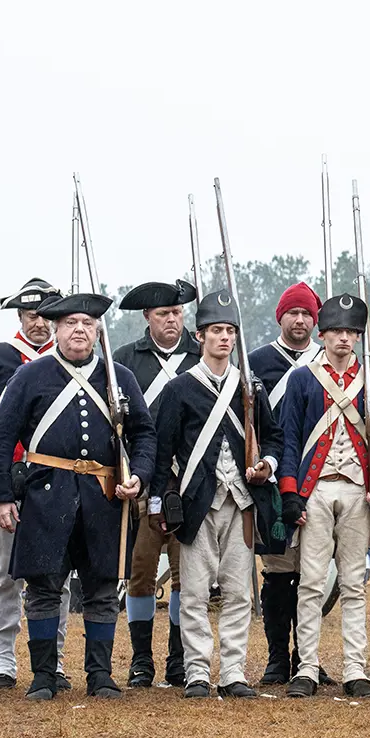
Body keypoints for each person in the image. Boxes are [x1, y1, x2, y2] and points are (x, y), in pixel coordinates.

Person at [0, 292, 156, 700]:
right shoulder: (30, 376)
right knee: (44, 587)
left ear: (98, 331)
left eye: (87, 323)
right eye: (70, 323)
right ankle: (44, 676)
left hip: (103, 496)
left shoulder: (120, 378)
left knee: (101, 588)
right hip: (46, 496)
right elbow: (3, 437)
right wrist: (1, 497)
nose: (79, 330)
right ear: (57, 330)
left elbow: (144, 434)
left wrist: (140, 476)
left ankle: (99, 675)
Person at [149, 291, 282, 699]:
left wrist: (268, 465)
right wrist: (156, 500)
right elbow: (162, 451)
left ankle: (234, 671)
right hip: (196, 505)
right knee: (193, 592)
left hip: (240, 503)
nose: (224, 338)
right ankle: (197, 672)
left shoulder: (250, 387)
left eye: (229, 331)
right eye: (216, 331)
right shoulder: (180, 390)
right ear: (200, 335)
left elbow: (274, 437)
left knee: (240, 592)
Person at [277, 293, 370, 699]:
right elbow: (290, 440)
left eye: (351, 332)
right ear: (323, 334)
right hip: (315, 490)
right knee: (311, 582)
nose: (344, 339)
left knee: (353, 583)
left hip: (357, 492)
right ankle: (307, 667)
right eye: (336, 331)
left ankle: (355, 668)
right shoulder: (303, 379)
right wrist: (291, 493)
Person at [0, 277, 74, 691]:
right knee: (8, 573)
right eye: (32, 316)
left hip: (58, 480)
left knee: (57, 574)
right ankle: (4, 657)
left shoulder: (71, 360)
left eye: (47, 316)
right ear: (20, 316)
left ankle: (56, 657)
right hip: (9, 480)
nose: (40, 325)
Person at [113, 279, 199, 688]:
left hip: (191, 480)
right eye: (163, 313)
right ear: (148, 317)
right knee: (141, 570)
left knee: (188, 573)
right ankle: (142, 660)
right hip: (142, 479)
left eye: (177, 312)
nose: (171, 319)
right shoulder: (125, 360)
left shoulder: (201, 358)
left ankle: (179, 658)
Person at [246, 281, 321, 685]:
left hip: (318, 477)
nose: (300, 319)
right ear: (281, 317)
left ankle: (308, 656)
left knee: (313, 575)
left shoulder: (327, 363)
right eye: (293, 312)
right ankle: (278, 657)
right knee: (277, 572)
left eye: (307, 313)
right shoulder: (256, 362)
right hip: (273, 479)